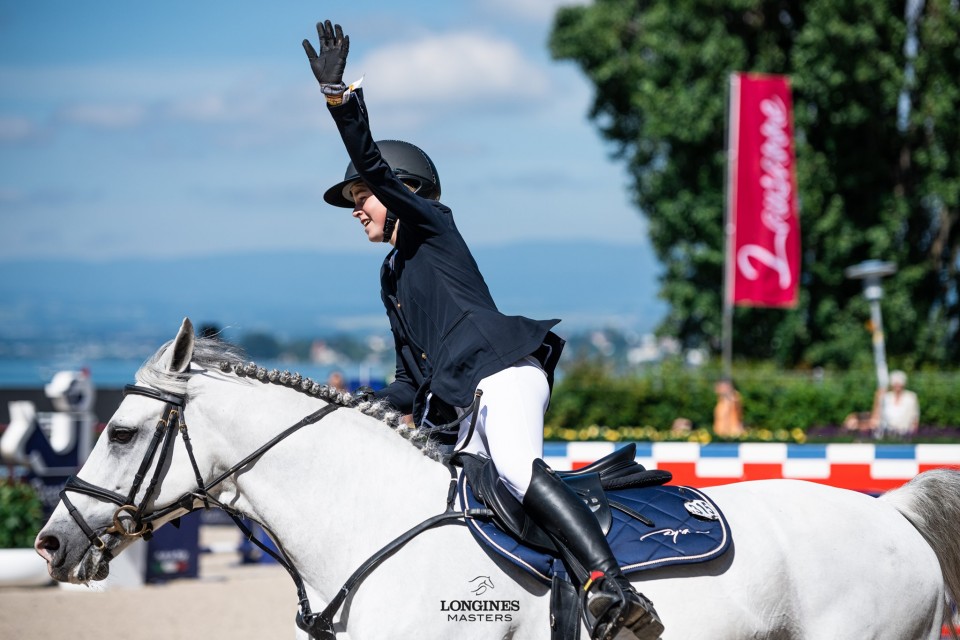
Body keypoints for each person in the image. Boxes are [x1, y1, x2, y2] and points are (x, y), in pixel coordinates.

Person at [303, 20, 663, 640]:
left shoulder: (430, 228)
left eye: (364, 193)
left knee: (519, 471)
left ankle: (611, 584)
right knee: (450, 497)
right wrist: (345, 407)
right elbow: (407, 383)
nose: (358, 206)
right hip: (464, 404)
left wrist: (340, 98)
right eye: (355, 197)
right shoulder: (392, 276)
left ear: (406, 191)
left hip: (503, 375)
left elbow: (376, 168)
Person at [878, 370, 919, 438]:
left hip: (906, 432)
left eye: (899, 383)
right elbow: (880, 414)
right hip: (888, 432)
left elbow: (915, 416)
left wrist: (913, 432)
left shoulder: (911, 397)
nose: (897, 385)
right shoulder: (886, 397)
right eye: (895, 383)